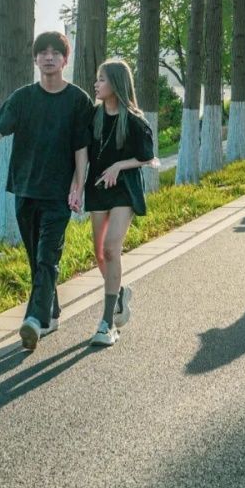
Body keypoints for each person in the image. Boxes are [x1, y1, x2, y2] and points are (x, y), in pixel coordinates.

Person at [0, 31, 93, 352]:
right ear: (35, 59)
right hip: (25, 190)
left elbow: (82, 148)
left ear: (66, 59)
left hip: (58, 195)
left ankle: (33, 320)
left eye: (55, 53)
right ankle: (50, 309)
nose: (48, 57)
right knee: (35, 258)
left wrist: (77, 187)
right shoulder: (23, 98)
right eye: (42, 52)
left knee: (47, 257)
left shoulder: (78, 100)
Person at [85, 58, 159, 346]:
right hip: (97, 189)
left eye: (101, 79)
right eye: (97, 79)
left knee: (111, 248)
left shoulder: (136, 120)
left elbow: (148, 156)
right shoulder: (93, 116)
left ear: (116, 84)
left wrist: (119, 166)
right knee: (99, 254)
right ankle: (120, 293)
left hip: (124, 190)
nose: (96, 84)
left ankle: (106, 324)